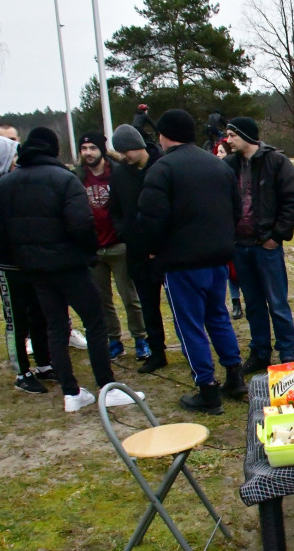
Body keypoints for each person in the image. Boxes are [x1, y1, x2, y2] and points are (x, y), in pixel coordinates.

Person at [0, 127, 141, 412]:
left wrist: (25, 257)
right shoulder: (64, 179)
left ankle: (70, 392)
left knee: (55, 326)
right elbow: (81, 224)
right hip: (69, 265)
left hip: (35, 268)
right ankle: (105, 387)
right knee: (95, 322)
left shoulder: (6, 183)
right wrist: (86, 254)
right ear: (53, 149)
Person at [136, 109, 246, 414]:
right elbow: (235, 211)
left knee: (190, 325)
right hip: (217, 258)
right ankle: (234, 375)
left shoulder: (162, 169)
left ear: (164, 134)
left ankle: (208, 389)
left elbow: (151, 218)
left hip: (182, 262)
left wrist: (152, 249)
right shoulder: (218, 166)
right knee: (218, 316)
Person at [0, 134, 53, 394]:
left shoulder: (13, 182)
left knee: (39, 313)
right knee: (16, 319)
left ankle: (45, 363)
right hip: (7, 265)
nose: (17, 161)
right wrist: (10, 238)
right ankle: (22, 372)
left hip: (30, 262)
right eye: (13, 156)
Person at [223, 116, 294, 373]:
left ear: (246, 136)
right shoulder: (228, 166)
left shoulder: (276, 162)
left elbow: (292, 202)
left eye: (232, 135)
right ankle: (260, 352)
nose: (228, 140)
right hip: (240, 245)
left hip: (266, 245)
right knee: (253, 303)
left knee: (277, 303)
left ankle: (287, 353)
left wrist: (276, 236)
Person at [75, 132, 149, 361]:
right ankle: (114, 340)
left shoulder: (118, 173)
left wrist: (125, 233)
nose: (88, 153)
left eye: (92, 148)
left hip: (119, 245)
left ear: (102, 150)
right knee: (101, 299)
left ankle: (141, 338)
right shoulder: (77, 177)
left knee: (130, 297)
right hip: (93, 248)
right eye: (84, 148)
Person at [108, 124, 167, 374]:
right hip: (137, 250)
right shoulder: (120, 175)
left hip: (167, 250)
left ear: (136, 146)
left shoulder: (163, 166)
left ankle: (191, 349)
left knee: (180, 305)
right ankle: (157, 351)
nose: (123, 157)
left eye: (125, 151)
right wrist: (125, 233)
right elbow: (115, 210)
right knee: (148, 305)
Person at [212, 138, 244, 320]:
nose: (218, 156)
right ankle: (235, 301)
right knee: (229, 270)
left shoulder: (236, 176)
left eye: (222, 152)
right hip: (223, 231)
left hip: (239, 229)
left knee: (240, 269)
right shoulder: (212, 177)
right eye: (217, 152)